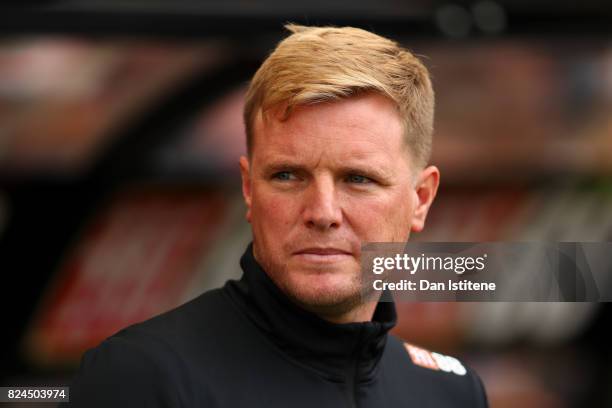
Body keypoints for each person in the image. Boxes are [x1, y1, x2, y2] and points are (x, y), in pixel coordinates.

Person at [67, 24, 488, 407]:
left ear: (421, 199)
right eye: (287, 175)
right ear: (249, 188)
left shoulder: (451, 391)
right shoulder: (142, 376)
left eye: (357, 179)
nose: (322, 213)